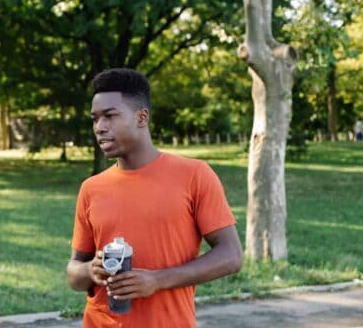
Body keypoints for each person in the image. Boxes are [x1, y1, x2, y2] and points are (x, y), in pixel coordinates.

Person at [66, 68, 243, 328]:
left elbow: (231, 256)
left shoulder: (194, 175)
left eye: (110, 116)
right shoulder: (91, 188)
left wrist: (157, 280)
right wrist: (90, 270)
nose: (100, 127)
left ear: (142, 117)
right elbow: (74, 273)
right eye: (95, 119)